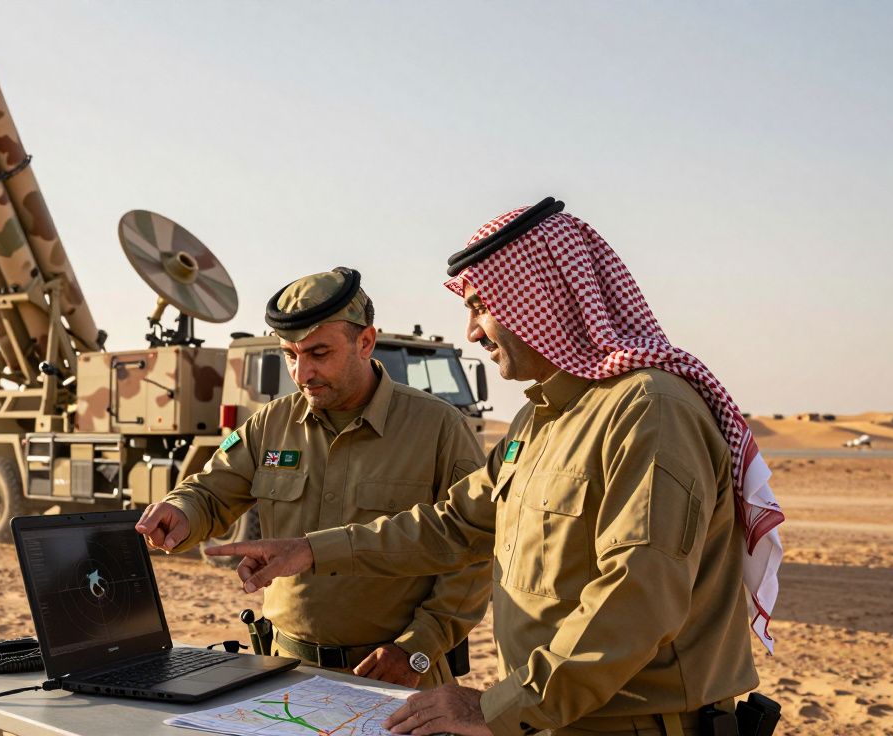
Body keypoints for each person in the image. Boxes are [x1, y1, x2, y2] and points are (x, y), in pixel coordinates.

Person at [209, 199, 785, 736]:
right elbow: (453, 525)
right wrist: (310, 550)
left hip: (630, 722)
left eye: (482, 306)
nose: (473, 331)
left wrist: (498, 707)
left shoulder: (648, 412)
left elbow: (637, 595)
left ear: (545, 297)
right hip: (555, 717)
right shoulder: (544, 419)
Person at [135, 267, 488, 689]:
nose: (302, 374)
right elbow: (210, 492)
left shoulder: (439, 428)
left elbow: (473, 553)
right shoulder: (270, 423)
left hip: (397, 679)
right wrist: (182, 511)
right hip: (285, 673)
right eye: (289, 355)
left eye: (319, 354)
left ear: (365, 342)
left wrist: (416, 649)